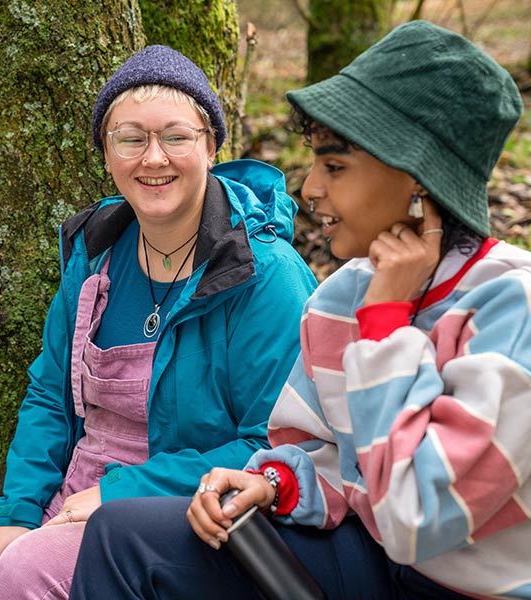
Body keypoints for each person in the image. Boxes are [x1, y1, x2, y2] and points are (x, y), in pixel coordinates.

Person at [69, 20, 529, 600]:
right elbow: (329, 452)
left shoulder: (510, 307)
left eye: (334, 167)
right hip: (369, 555)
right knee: (121, 537)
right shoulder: (341, 297)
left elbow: (417, 518)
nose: (309, 189)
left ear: (419, 178)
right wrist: (273, 479)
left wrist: (385, 324)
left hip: (466, 584)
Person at [0, 45, 316, 600]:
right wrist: (15, 514)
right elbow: (49, 397)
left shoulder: (264, 275)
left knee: (21, 578)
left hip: (190, 517)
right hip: (72, 497)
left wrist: (119, 492)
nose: (154, 158)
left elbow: (281, 444)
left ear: (210, 145)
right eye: (131, 138)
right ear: (107, 154)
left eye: (176, 137)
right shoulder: (96, 254)